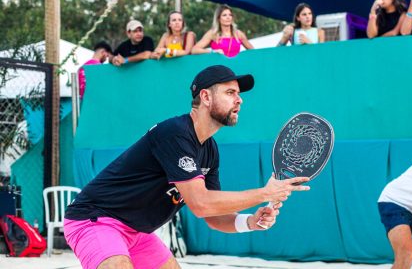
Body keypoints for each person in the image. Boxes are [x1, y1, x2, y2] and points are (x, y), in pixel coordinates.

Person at [63, 65, 311, 269]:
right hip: (95, 219)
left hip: (136, 231)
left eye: (238, 94)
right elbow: (201, 204)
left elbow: (213, 217)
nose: (239, 100)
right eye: (230, 92)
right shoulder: (175, 133)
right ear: (205, 97)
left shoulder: (209, 150)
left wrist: (250, 222)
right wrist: (265, 193)